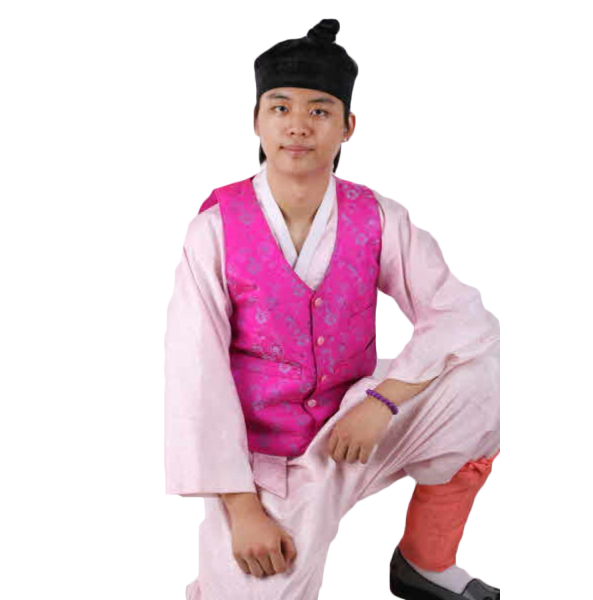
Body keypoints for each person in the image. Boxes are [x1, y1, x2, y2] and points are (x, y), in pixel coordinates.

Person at [164, 18, 500, 600]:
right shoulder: (215, 231)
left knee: (485, 379)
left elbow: (462, 316)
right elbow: (195, 375)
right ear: (256, 120)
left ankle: (425, 561)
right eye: (280, 107)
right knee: (257, 586)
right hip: (268, 464)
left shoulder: (378, 217)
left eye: (319, 111)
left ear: (347, 126)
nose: (298, 125)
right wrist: (242, 508)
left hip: (356, 425)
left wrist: (380, 402)